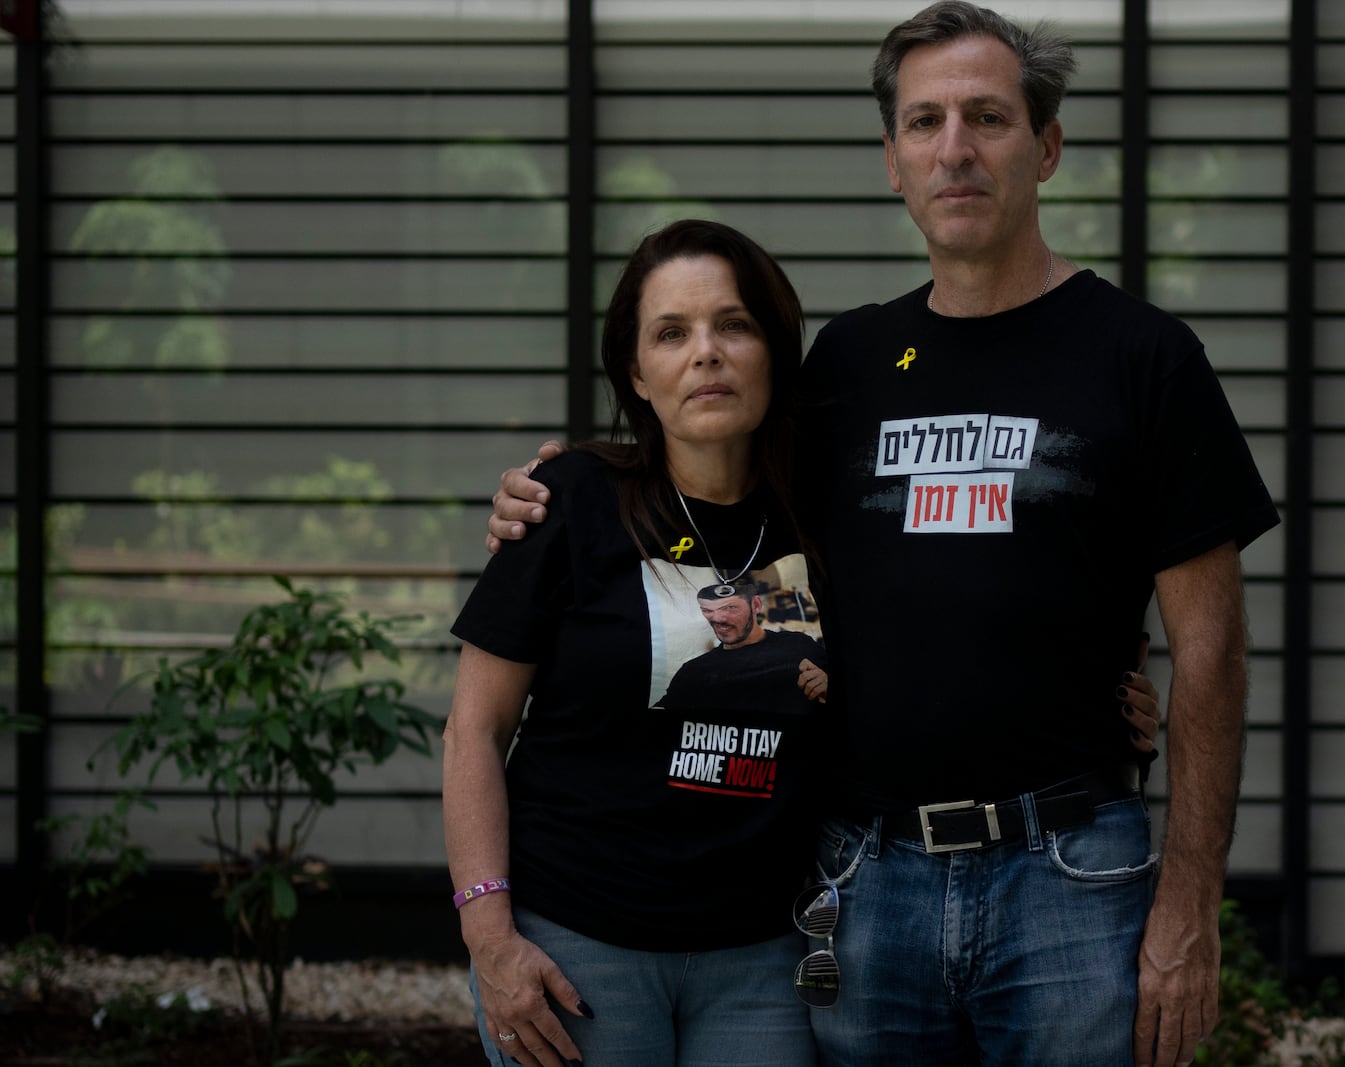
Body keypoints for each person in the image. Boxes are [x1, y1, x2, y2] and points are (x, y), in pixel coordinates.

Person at [486, 10, 1255, 1063]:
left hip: (1070, 871)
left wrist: (1189, 900)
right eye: (924, 121)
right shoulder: (852, 364)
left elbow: (1210, 647)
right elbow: (710, 454)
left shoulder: (1144, 357)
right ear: (891, 161)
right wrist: (557, 482)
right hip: (865, 876)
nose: (956, 148)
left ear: (1048, 145)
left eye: (987, 117)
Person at [451, 216, 1166, 1067]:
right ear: (637, 372)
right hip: (582, 942)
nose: (705, 352)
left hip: (762, 954)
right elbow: (474, 731)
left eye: (734, 324)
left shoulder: (827, 511)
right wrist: (489, 936)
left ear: (775, 352)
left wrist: (1106, 687)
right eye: (671, 333)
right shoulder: (568, 503)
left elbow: (975, 594)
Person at [656, 580, 829, 715]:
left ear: (756, 605)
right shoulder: (693, 671)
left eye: (730, 608)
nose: (718, 619)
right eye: (707, 610)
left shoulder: (798, 645)